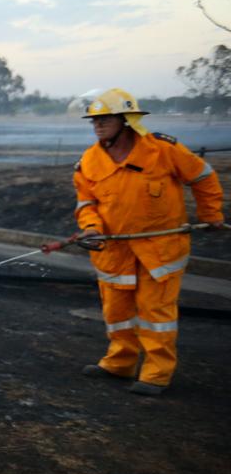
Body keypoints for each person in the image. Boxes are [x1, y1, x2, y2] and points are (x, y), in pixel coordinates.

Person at [73, 89, 224, 396]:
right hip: (114, 251)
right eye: (95, 121)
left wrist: (211, 215)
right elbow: (86, 201)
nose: (98, 126)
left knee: (156, 314)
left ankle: (156, 374)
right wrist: (90, 228)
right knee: (117, 311)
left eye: (105, 119)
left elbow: (203, 177)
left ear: (126, 121)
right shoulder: (90, 160)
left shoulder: (162, 150)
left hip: (160, 249)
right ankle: (120, 363)